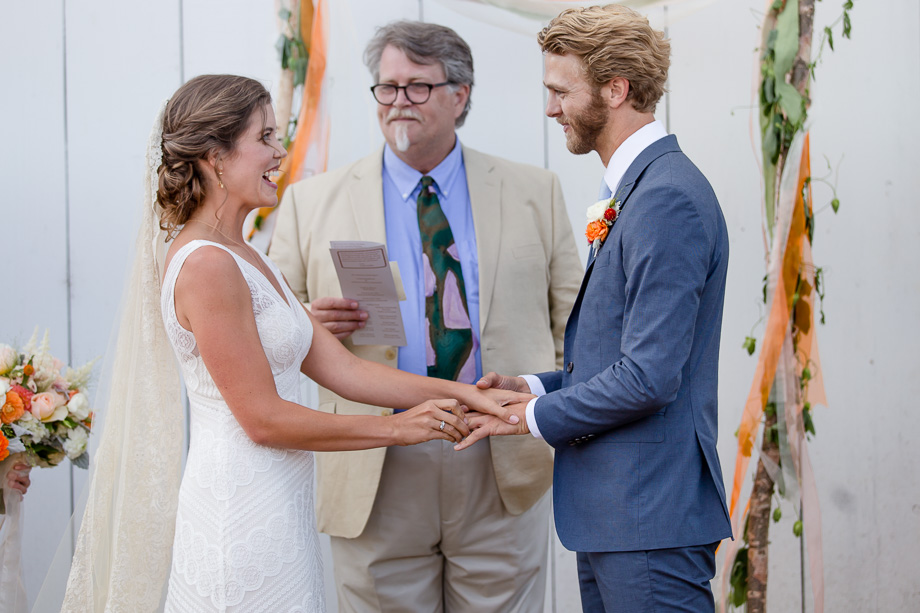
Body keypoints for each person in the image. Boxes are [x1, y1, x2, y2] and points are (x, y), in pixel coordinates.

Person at [59, 74, 517, 613]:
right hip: (238, 512)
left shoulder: (249, 254)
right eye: (267, 138)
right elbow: (263, 419)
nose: (281, 152)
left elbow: (344, 370)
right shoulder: (207, 264)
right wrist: (399, 428)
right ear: (215, 156)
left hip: (279, 505)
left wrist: (465, 395)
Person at [269, 21, 582, 613]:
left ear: (459, 95)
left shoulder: (534, 191)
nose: (397, 103)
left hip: (501, 457)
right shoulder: (309, 203)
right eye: (386, 88)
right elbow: (264, 331)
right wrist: (305, 320)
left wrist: (551, 415)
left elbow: (576, 324)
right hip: (374, 460)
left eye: (417, 87)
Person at [463, 5, 733, 611]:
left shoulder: (666, 199)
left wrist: (530, 416)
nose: (551, 108)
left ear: (616, 89)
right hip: (620, 520)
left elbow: (649, 376)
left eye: (561, 91)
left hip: (649, 519)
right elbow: (622, 356)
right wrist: (527, 385)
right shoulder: (641, 190)